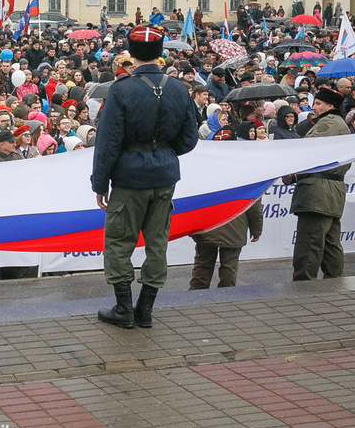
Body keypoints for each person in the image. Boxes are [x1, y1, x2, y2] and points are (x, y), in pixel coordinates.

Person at [91, 26, 198, 329]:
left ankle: (124, 309)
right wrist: (162, 152)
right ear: (160, 53)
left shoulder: (122, 89)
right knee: (157, 242)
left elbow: (108, 143)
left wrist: (100, 183)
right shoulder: (178, 88)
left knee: (118, 242)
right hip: (164, 175)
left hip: (129, 177)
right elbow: (189, 139)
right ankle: (145, 309)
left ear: (132, 53)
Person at [288, 86, 350, 281]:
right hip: (330, 191)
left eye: (318, 103)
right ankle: (335, 283)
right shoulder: (336, 123)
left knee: (309, 244)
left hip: (317, 192)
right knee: (330, 244)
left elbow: (309, 150)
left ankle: (303, 286)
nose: (314, 107)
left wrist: (290, 168)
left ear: (330, 106)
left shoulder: (329, 123)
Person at [188, 198, 263, 289]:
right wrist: (256, 231)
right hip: (234, 231)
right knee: (229, 268)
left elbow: (195, 201)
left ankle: (196, 293)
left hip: (208, 228)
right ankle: (226, 294)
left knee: (203, 265)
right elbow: (255, 210)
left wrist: (190, 228)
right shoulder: (246, 187)